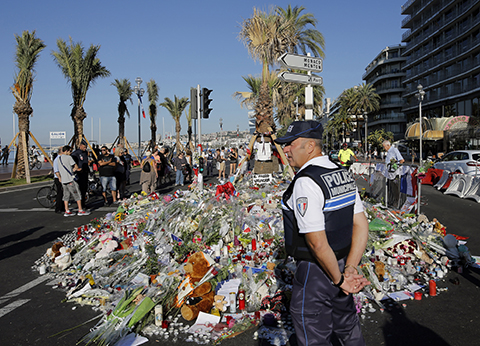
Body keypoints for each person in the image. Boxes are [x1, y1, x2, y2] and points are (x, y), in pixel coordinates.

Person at [274, 120, 370, 346]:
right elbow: (361, 225)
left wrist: (339, 281)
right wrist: (349, 269)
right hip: (341, 262)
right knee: (348, 328)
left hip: (316, 271)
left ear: (309, 146)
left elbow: (317, 243)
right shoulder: (341, 174)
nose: (285, 149)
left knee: (313, 333)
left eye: (290, 144)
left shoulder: (306, 181)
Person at [56, 145, 90, 217]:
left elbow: (58, 170)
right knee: (77, 194)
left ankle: (67, 210)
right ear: (67, 151)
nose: (71, 152)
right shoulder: (69, 157)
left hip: (63, 180)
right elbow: (75, 166)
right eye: (70, 151)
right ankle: (80, 210)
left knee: (66, 195)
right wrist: (75, 169)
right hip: (70, 179)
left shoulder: (59, 158)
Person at [71, 139, 90, 210]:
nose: (85, 149)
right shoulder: (75, 153)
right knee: (80, 190)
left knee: (84, 189)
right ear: (81, 146)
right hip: (79, 173)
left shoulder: (85, 153)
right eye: (84, 147)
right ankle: (81, 205)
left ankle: (83, 204)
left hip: (85, 172)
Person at [52, 146, 65, 214]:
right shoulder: (57, 160)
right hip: (58, 178)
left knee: (63, 193)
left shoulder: (61, 159)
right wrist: (60, 178)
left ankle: (62, 207)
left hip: (62, 177)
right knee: (59, 194)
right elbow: (56, 171)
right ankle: (58, 208)